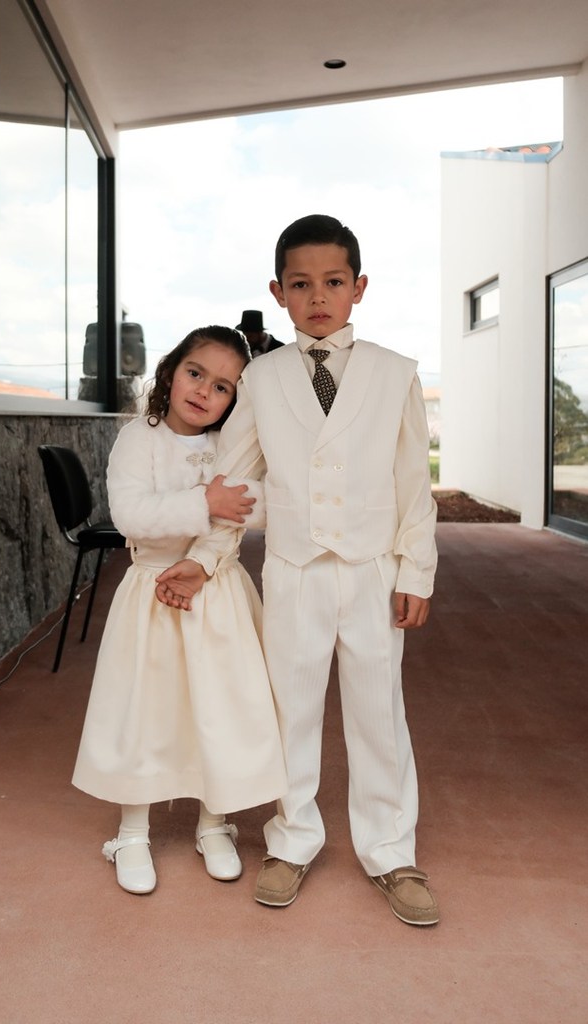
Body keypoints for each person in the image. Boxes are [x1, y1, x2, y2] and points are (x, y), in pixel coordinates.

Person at [156, 215, 439, 926]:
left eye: (333, 282)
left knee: (379, 713)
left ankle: (390, 850)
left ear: (358, 288)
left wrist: (416, 572)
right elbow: (234, 479)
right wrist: (204, 559)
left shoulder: (395, 372)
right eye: (302, 284)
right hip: (294, 569)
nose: (318, 297)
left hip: (372, 569)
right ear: (278, 292)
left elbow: (414, 484)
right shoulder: (263, 376)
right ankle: (292, 839)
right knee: (291, 709)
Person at [72, 325, 287, 895]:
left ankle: (214, 823)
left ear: (234, 401)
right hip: (152, 592)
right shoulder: (138, 439)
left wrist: (218, 520)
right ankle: (132, 832)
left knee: (218, 707)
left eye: (222, 387)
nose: (203, 391)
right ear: (171, 372)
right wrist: (208, 501)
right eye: (196, 373)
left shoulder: (230, 446)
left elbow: (261, 506)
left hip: (217, 594)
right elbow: (132, 515)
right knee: (147, 709)